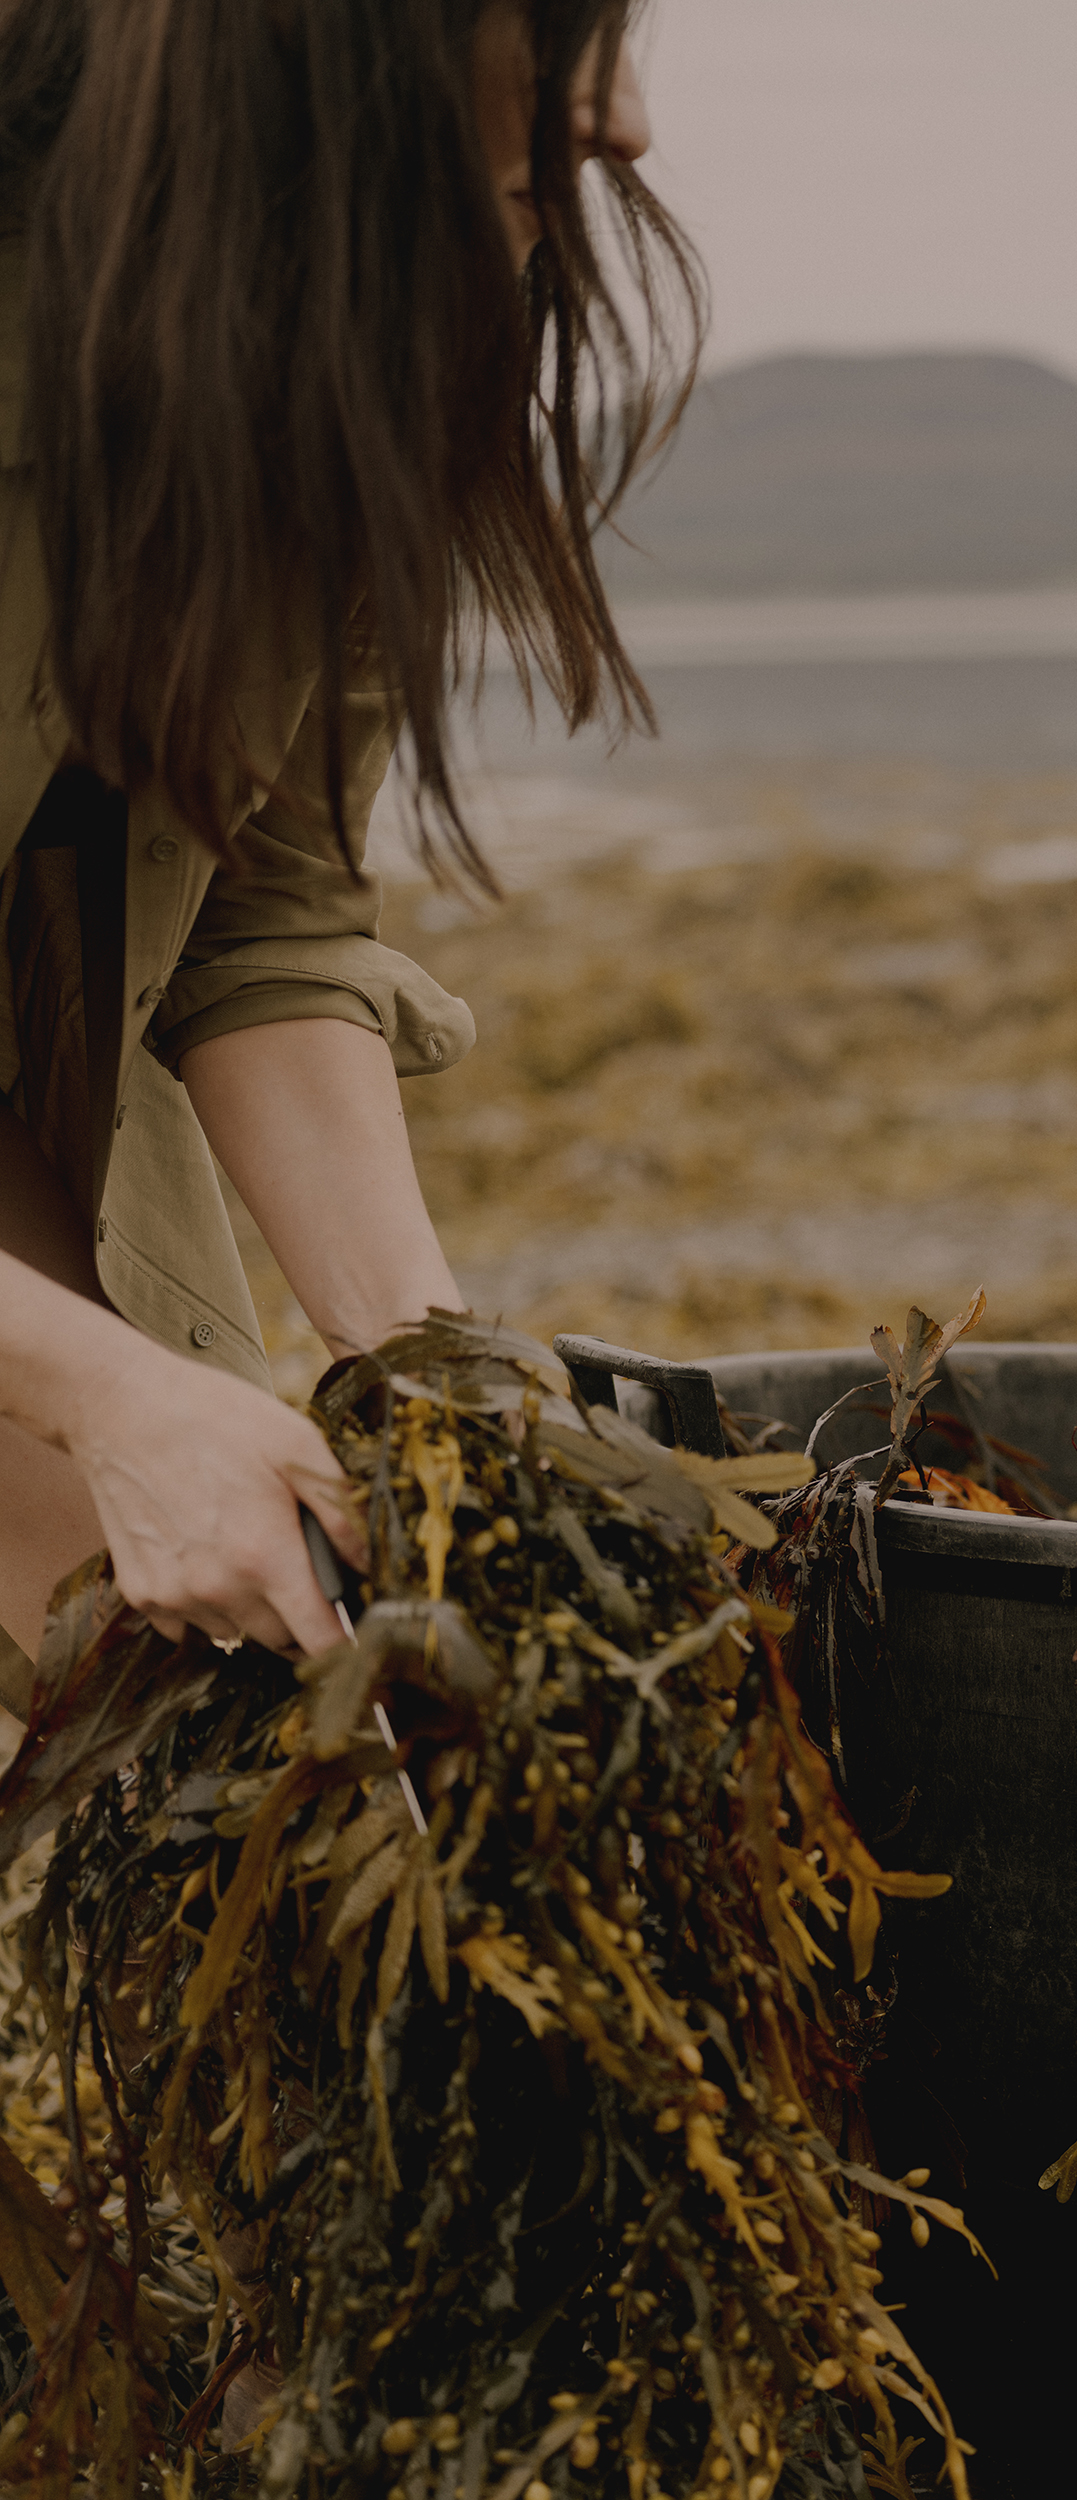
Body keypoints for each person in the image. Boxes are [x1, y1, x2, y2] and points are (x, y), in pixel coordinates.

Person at [0, 0, 699, 1697]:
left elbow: (265, 911)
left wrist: (435, 1385)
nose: (625, 117)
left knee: (200, 1701)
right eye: (564, 27)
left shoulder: (343, 354)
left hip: (53, 1112)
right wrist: (112, 1400)